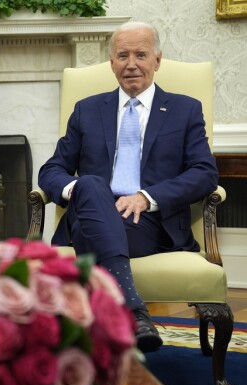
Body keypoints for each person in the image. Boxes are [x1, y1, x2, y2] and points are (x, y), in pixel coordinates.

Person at [38, 21, 218, 353]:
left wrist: (148, 197)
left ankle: (112, 319)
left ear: (157, 60)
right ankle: (134, 311)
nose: (131, 63)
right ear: (112, 63)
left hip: (149, 221)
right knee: (90, 185)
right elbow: (52, 169)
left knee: (95, 202)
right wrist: (74, 191)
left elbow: (205, 173)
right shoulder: (88, 110)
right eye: (122, 55)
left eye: (140, 54)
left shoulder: (185, 109)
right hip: (91, 209)